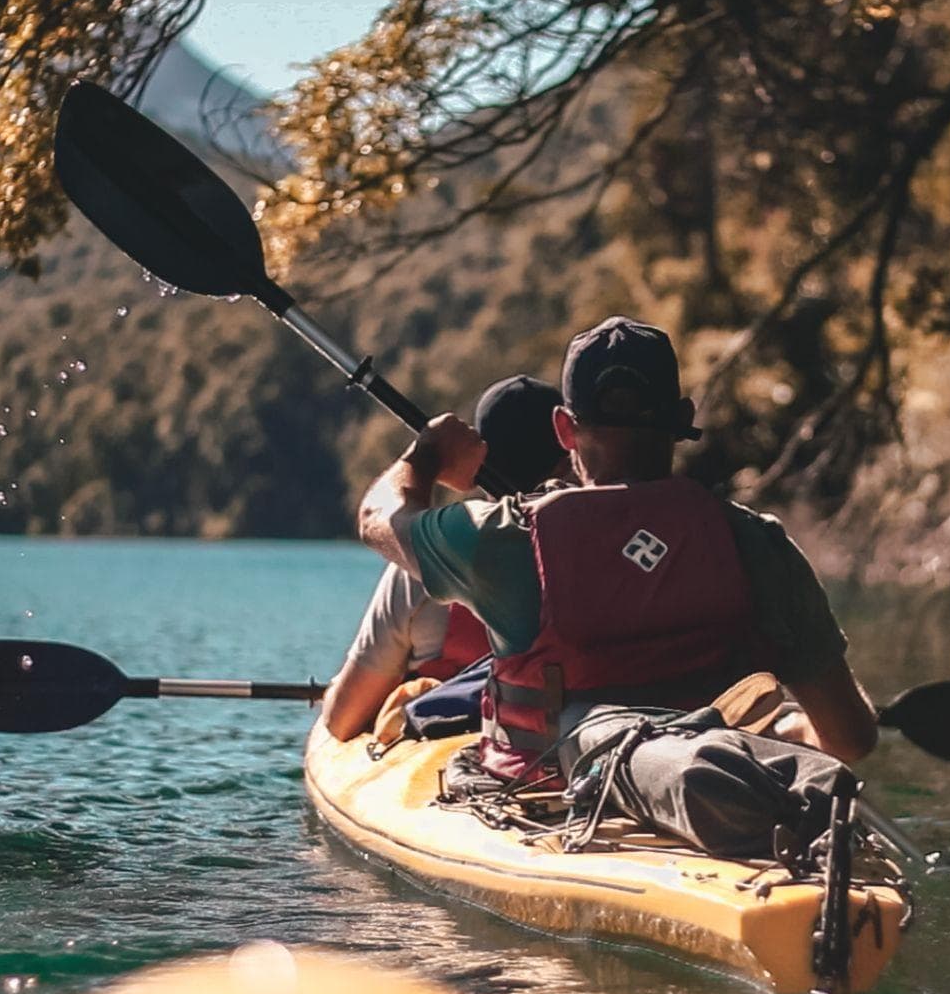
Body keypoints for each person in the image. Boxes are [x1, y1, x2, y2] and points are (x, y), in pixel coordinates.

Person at [356, 317, 879, 855]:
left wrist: (427, 457)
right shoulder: (758, 544)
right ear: (682, 419)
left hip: (546, 803)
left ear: (563, 429)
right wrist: (792, 735)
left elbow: (378, 519)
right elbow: (851, 739)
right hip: (727, 800)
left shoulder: (506, 540)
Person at [323, 374, 566, 741]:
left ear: (477, 463)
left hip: (470, 753)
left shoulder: (419, 568)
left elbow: (342, 719)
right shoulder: (605, 543)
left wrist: (428, 457)